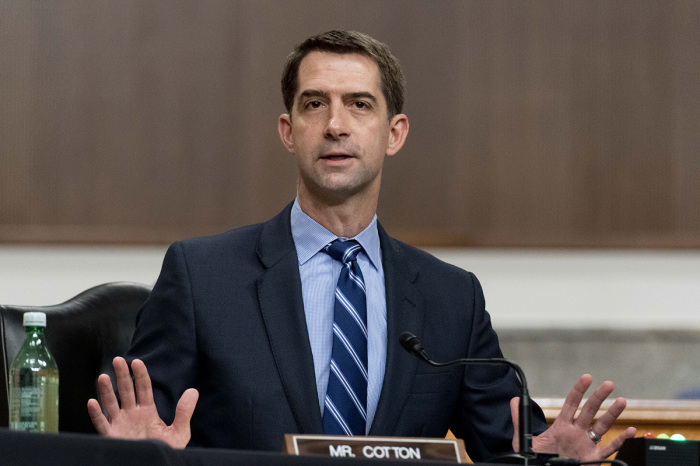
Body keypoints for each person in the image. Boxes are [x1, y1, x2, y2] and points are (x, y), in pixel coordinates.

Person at [87, 30, 636, 462]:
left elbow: (510, 446)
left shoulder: (451, 297)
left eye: (359, 104)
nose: (335, 125)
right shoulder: (202, 276)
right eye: (314, 104)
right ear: (288, 130)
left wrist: (548, 459)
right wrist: (138, 455)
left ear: (394, 133)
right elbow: (146, 429)